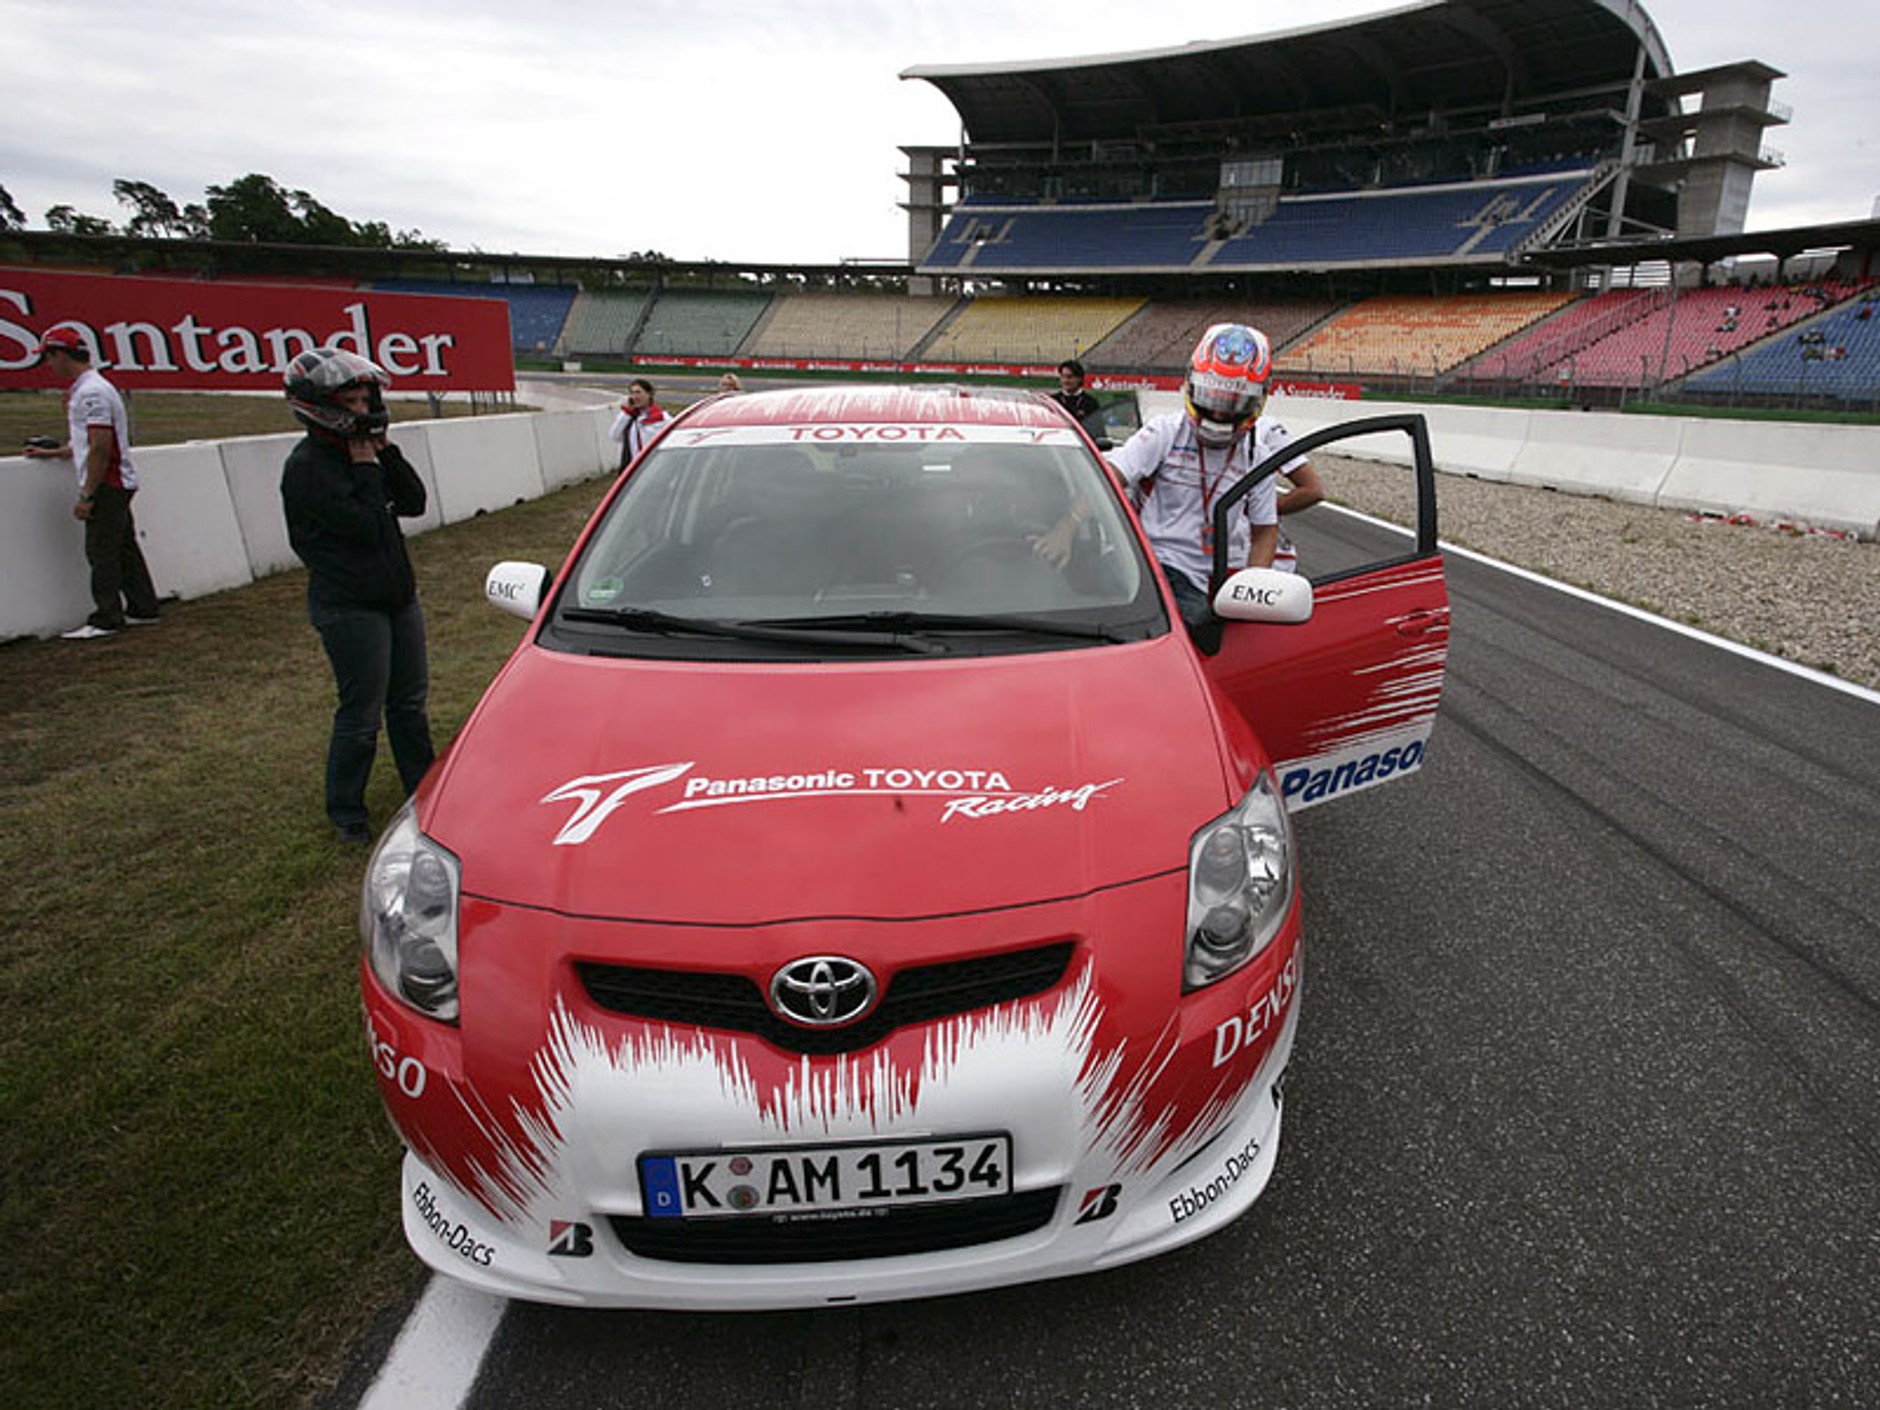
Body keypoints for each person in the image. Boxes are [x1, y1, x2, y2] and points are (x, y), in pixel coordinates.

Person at [1041, 323, 1293, 637]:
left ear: (1258, 401)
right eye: (1212, 396)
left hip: (1207, 580)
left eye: (1232, 403)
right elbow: (1109, 479)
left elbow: (1265, 532)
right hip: (1147, 566)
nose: (1217, 413)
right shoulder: (1164, 432)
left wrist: (1253, 591)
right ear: (1191, 385)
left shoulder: (1258, 456)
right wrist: (1066, 528)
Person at [279, 348, 435, 845]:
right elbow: (366, 526)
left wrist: (385, 452)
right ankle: (346, 809)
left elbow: (412, 502)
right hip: (350, 605)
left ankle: (425, 787)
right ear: (322, 405)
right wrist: (367, 467)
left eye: (367, 398)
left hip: (396, 597)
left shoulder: (366, 449)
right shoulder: (309, 468)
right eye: (352, 400)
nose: (365, 409)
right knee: (361, 713)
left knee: (409, 702)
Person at [21, 327, 162, 639]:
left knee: (101, 551)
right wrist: (56, 452)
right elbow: (91, 442)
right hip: (117, 480)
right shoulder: (95, 387)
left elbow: (100, 445)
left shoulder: (91, 392)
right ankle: (143, 607)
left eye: (49, 358)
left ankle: (107, 618)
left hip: (107, 482)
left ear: (60, 354)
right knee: (123, 547)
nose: (49, 365)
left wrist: (87, 494)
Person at [609, 378, 669, 471]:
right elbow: (614, 436)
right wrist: (626, 413)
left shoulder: (662, 418)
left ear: (649, 394)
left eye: (638, 392)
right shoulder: (630, 419)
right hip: (634, 469)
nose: (635, 397)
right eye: (632, 393)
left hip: (656, 468)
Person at [1049, 358, 1101, 427]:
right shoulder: (1052, 401)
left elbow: (1098, 429)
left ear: (1079, 378)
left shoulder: (1091, 403)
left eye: (1069, 377)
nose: (1065, 381)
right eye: (1063, 377)